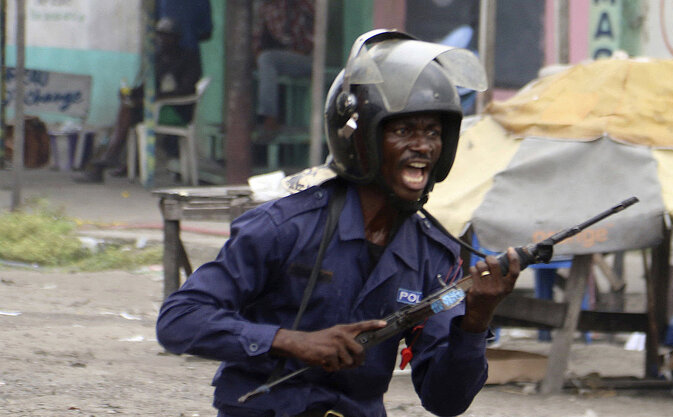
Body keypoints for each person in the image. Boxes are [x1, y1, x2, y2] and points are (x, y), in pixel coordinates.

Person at [156, 30, 521, 417]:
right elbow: (179, 320)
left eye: (433, 132)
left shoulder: (435, 256)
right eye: (403, 130)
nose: (423, 146)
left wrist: (476, 320)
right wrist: (290, 341)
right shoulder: (286, 227)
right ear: (359, 139)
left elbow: (446, 401)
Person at [76, 16, 205, 183]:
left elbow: (186, 89)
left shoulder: (188, 58)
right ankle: (111, 157)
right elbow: (148, 86)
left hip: (176, 111)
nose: (163, 39)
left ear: (176, 38)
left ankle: (111, 155)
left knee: (128, 110)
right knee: (127, 106)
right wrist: (131, 93)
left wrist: (154, 98)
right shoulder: (158, 58)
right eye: (160, 35)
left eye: (167, 36)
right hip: (155, 108)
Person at [252, 0, 315, 134]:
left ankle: (270, 117)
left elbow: (318, 22)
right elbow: (256, 41)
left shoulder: (300, 5)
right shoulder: (266, 7)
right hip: (279, 59)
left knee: (266, 59)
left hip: (306, 58)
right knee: (261, 60)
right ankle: (252, 120)